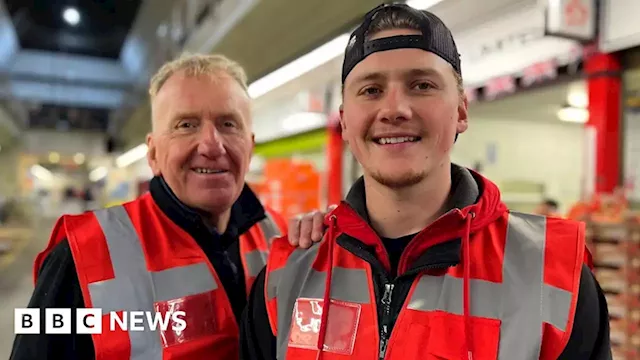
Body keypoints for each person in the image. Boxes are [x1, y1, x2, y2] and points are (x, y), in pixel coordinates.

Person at [241, 3, 611, 360]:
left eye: (422, 85)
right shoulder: (287, 275)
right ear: (345, 122)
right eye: (371, 90)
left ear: (461, 110)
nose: (395, 109)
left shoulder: (553, 276)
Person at [10, 54, 326, 360]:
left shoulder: (285, 241)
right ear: (153, 153)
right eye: (186, 125)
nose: (212, 145)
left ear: (250, 144)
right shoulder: (80, 256)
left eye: (228, 124)